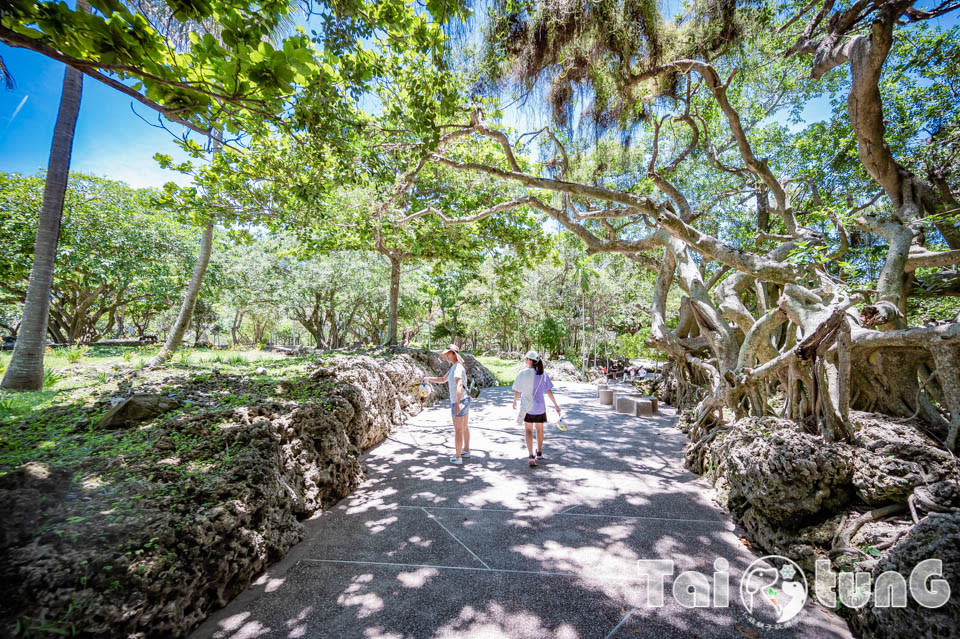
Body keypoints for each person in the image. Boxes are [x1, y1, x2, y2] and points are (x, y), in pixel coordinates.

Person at [423, 344, 471, 464]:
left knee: (459, 430)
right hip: (464, 400)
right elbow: (442, 379)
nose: (446, 356)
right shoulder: (454, 367)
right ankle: (465, 450)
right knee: (464, 428)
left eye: (448, 354)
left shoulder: (457, 368)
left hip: (459, 401)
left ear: (454, 354)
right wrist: (428, 378)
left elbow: (459, 385)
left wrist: (457, 403)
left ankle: (458, 457)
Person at [512, 350, 561, 467]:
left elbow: (517, 390)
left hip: (528, 407)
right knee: (540, 430)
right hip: (540, 407)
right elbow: (549, 391)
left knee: (528, 430)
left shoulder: (522, 373)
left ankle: (530, 456)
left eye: (526, 359)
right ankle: (539, 452)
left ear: (530, 360)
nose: (525, 361)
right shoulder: (543, 374)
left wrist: (514, 401)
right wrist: (556, 405)